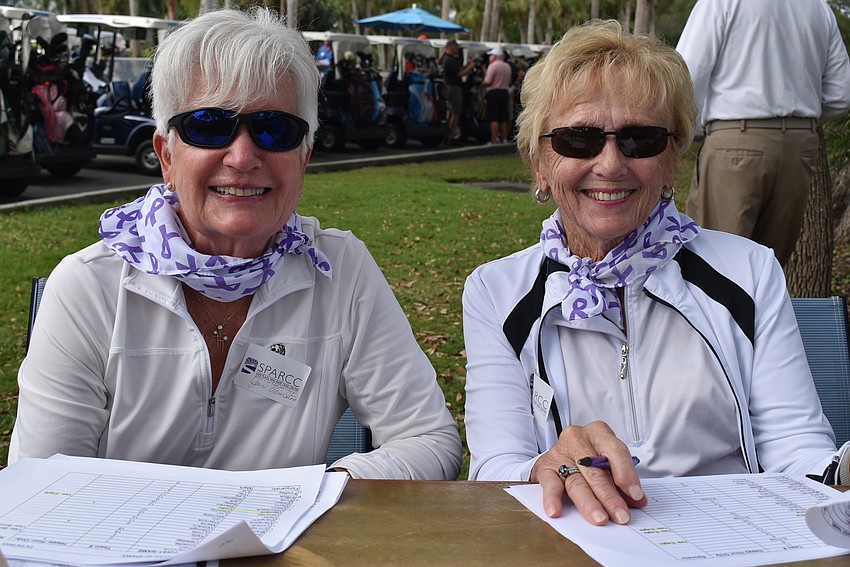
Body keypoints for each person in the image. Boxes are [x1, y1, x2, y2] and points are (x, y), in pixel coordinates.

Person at [8, 7, 462, 480]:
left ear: (304, 158)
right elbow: (42, 488)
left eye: (275, 129)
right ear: (167, 155)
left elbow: (429, 440)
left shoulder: (340, 270)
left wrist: (321, 493)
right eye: (208, 125)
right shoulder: (90, 286)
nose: (243, 157)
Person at [462, 19, 850, 527]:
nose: (611, 164)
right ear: (539, 162)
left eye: (640, 139)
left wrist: (840, 471)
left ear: (671, 162)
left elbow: (794, 446)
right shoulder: (495, 292)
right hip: (582, 543)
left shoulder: (750, 270)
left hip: (734, 544)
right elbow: (494, 467)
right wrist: (544, 467)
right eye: (578, 140)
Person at [677, 0, 850, 267]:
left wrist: (691, 130)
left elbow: (687, 74)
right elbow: (841, 93)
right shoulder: (817, 6)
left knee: (716, 263)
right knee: (770, 268)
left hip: (736, 139)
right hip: (799, 145)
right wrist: (800, 110)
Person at [438, 40, 475, 145]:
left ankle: (449, 134)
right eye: (455, 47)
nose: (457, 49)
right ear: (450, 47)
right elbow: (459, 74)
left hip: (451, 87)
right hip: (453, 88)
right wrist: (470, 68)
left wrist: (466, 65)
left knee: (451, 112)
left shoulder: (450, 59)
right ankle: (451, 136)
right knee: (456, 112)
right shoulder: (449, 60)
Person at [482, 46, 512, 144]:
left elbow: (488, 81)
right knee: (502, 118)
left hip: (494, 93)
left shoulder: (493, 66)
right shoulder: (507, 66)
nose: (490, 57)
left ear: (495, 56)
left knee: (493, 118)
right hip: (504, 92)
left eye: (491, 55)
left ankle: (494, 140)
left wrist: (482, 84)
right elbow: (509, 80)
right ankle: (503, 139)